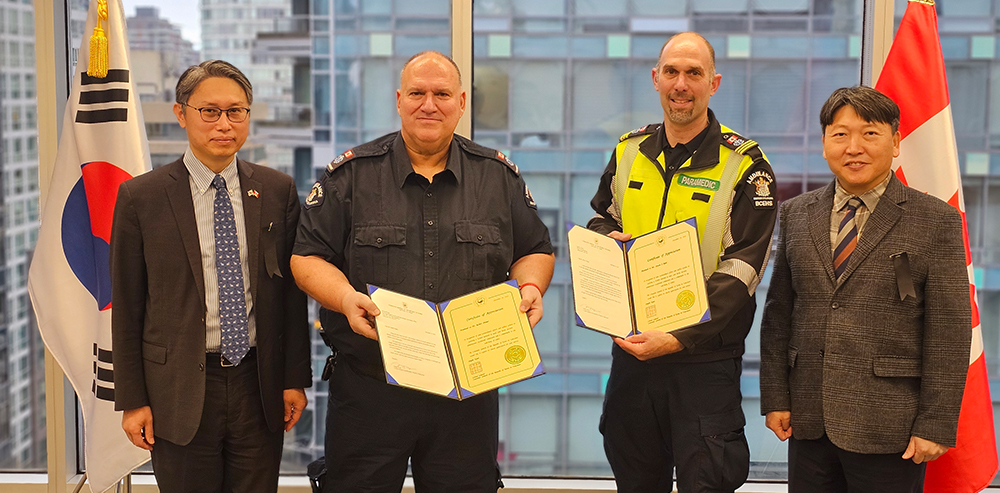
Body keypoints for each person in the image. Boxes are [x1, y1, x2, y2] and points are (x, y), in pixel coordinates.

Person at [290, 51, 555, 492]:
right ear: (398, 99)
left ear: (461, 102)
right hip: (370, 391)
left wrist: (530, 286)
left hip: (467, 394)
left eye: (441, 94)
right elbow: (307, 256)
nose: (428, 104)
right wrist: (343, 298)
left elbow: (536, 249)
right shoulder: (350, 176)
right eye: (417, 93)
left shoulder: (497, 176)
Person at [110, 60, 312, 492]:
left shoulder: (277, 191)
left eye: (236, 111)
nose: (224, 123)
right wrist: (132, 400)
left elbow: (291, 298)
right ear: (181, 114)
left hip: (257, 383)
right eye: (210, 111)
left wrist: (294, 379)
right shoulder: (140, 197)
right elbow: (127, 306)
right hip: (178, 388)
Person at [588, 32, 777, 492]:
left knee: (707, 481)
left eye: (694, 73)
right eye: (671, 72)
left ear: (714, 83)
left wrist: (676, 337)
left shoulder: (746, 166)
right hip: (632, 359)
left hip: (702, 363)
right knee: (633, 480)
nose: (681, 83)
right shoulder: (628, 151)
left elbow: (742, 270)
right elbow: (600, 219)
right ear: (656, 79)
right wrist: (605, 241)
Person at [759, 86, 972, 492]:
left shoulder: (935, 220)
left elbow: (949, 332)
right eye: (840, 134)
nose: (853, 147)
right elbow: (779, 314)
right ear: (824, 143)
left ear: (895, 142)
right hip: (809, 419)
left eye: (870, 134)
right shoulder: (797, 214)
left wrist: (936, 422)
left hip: (892, 427)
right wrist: (775, 396)